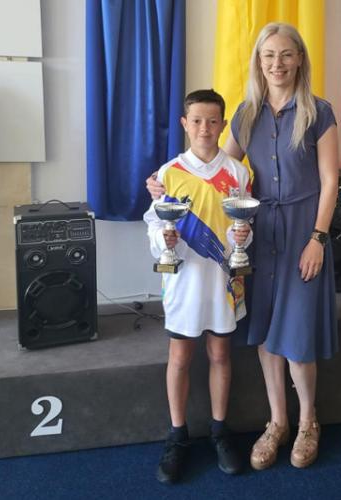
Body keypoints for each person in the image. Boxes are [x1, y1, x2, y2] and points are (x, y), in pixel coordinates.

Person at [146, 22, 339, 470]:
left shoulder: (319, 112)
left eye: (286, 54)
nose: (277, 63)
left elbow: (330, 182)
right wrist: (164, 182)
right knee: (266, 334)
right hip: (259, 233)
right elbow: (217, 167)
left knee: (298, 336)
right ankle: (277, 423)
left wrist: (318, 238)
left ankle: (308, 421)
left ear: (299, 59)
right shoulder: (247, 113)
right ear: (258, 61)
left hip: (303, 231)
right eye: (269, 55)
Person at [144, 89, 252, 484]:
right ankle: (177, 435)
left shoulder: (238, 172)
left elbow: (245, 222)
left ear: (222, 125)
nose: (204, 128)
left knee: (221, 353)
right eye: (197, 121)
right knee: (180, 357)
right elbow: (155, 223)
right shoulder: (168, 173)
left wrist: (244, 237)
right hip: (184, 281)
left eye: (212, 121)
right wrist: (164, 241)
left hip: (224, 279)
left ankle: (219, 431)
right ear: (184, 124)